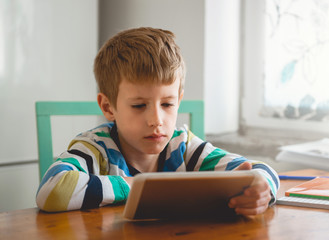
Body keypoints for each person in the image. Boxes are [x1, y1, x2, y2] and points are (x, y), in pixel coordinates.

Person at [36, 27, 279, 215]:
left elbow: (257, 170)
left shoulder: (183, 146)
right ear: (108, 107)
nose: (156, 120)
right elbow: (51, 191)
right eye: (139, 105)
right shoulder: (95, 148)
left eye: (167, 104)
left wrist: (262, 189)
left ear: (179, 101)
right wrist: (138, 185)